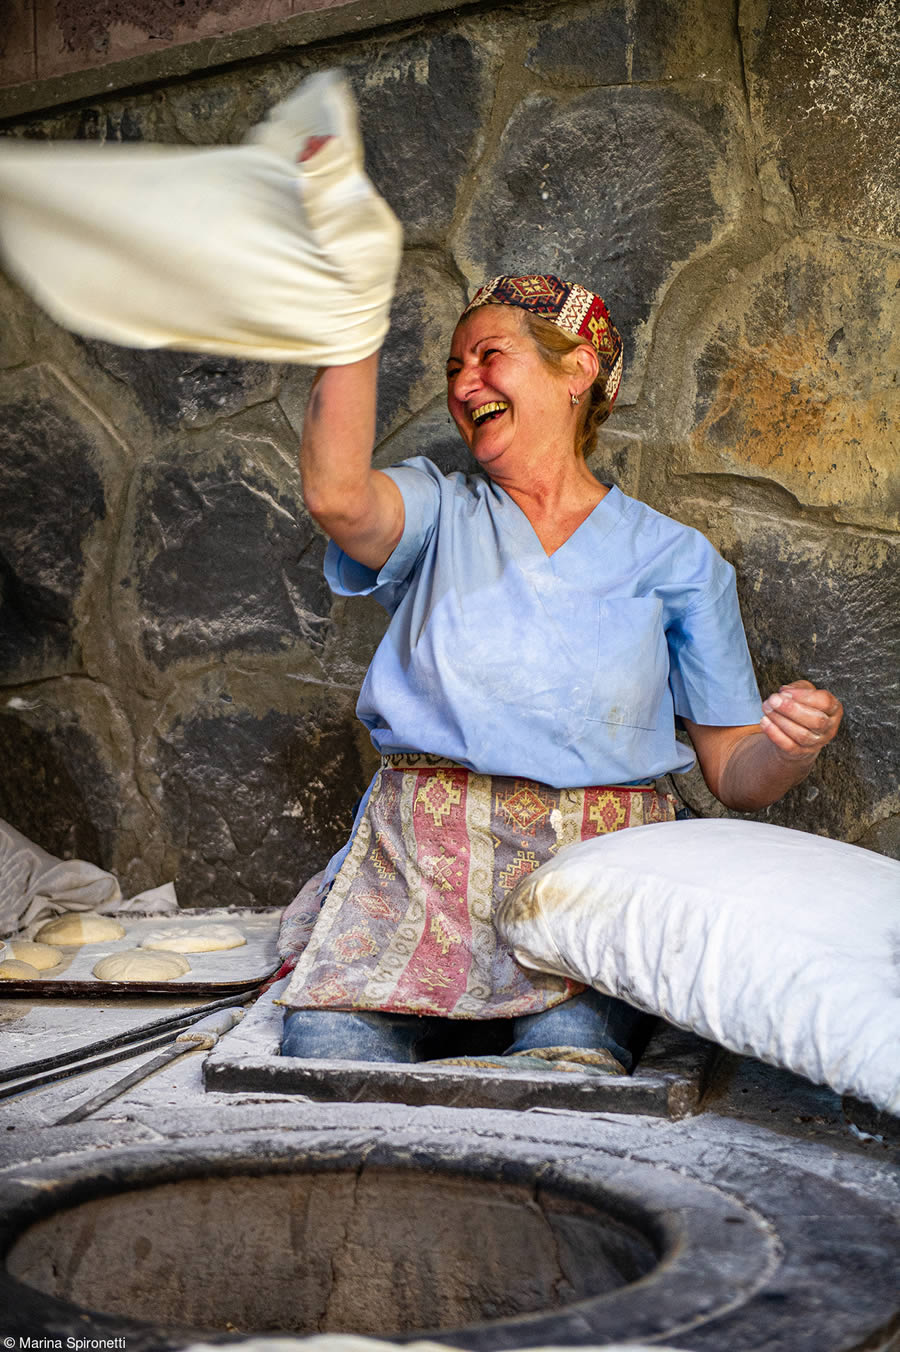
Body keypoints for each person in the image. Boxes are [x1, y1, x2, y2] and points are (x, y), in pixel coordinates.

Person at [278, 273, 843, 1072]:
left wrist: (789, 746)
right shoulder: (441, 513)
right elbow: (338, 497)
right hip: (419, 878)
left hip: (589, 891)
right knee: (324, 1060)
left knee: (565, 1071)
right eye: (452, 367)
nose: (463, 381)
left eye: (489, 355)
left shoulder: (676, 560)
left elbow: (736, 774)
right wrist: (349, 314)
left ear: (577, 369)